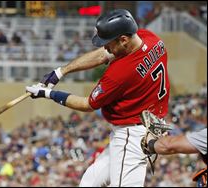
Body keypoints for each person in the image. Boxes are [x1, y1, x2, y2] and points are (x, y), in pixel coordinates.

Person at [26, 9, 170, 187]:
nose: (105, 47)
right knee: (89, 183)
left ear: (123, 39)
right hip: (151, 124)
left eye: (108, 43)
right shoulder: (151, 39)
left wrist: (49, 94)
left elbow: (88, 104)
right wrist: (60, 72)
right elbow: (103, 54)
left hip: (133, 135)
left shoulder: (120, 72)